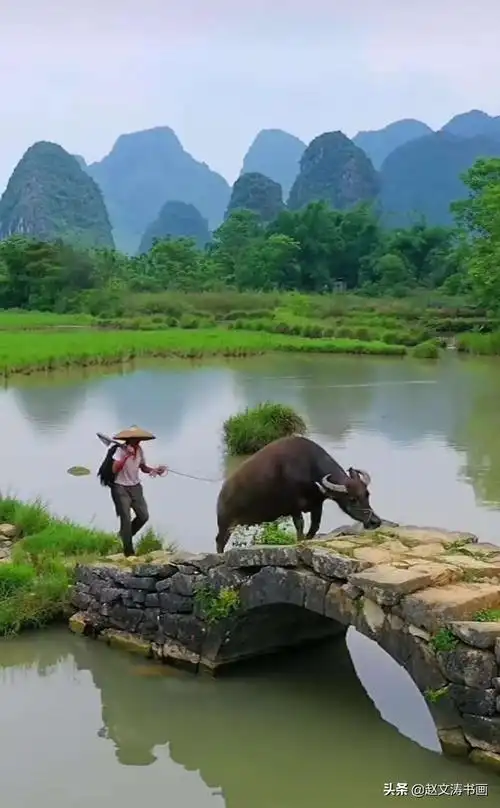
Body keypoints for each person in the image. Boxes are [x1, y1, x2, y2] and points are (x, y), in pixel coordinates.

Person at [109, 425, 167, 557]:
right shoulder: (120, 450)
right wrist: (126, 456)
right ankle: (129, 552)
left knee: (143, 516)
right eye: (135, 439)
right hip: (120, 487)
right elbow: (114, 469)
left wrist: (154, 470)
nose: (138, 441)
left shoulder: (139, 450)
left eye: (139, 439)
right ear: (129, 439)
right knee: (126, 517)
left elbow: (143, 467)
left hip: (135, 487)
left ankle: (123, 536)